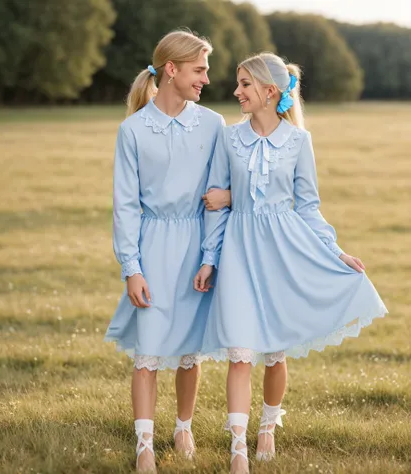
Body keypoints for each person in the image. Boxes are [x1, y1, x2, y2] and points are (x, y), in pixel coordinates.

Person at [194, 52, 387, 474]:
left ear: (269, 91)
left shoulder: (299, 141)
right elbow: (216, 203)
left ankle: (268, 426)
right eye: (237, 83)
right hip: (240, 252)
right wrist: (210, 258)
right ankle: (238, 450)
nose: (236, 91)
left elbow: (308, 206)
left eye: (244, 84)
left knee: (275, 353)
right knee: (240, 352)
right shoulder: (228, 138)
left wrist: (335, 252)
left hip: (284, 252)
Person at [104, 29, 230, 472]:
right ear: (171, 70)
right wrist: (131, 268)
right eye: (199, 70)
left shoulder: (214, 124)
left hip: (196, 245)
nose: (207, 80)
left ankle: (183, 426)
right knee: (150, 350)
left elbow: (220, 194)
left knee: (190, 350)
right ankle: (144, 445)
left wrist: (211, 256)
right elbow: (125, 205)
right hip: (152, 246)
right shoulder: (133, 130)